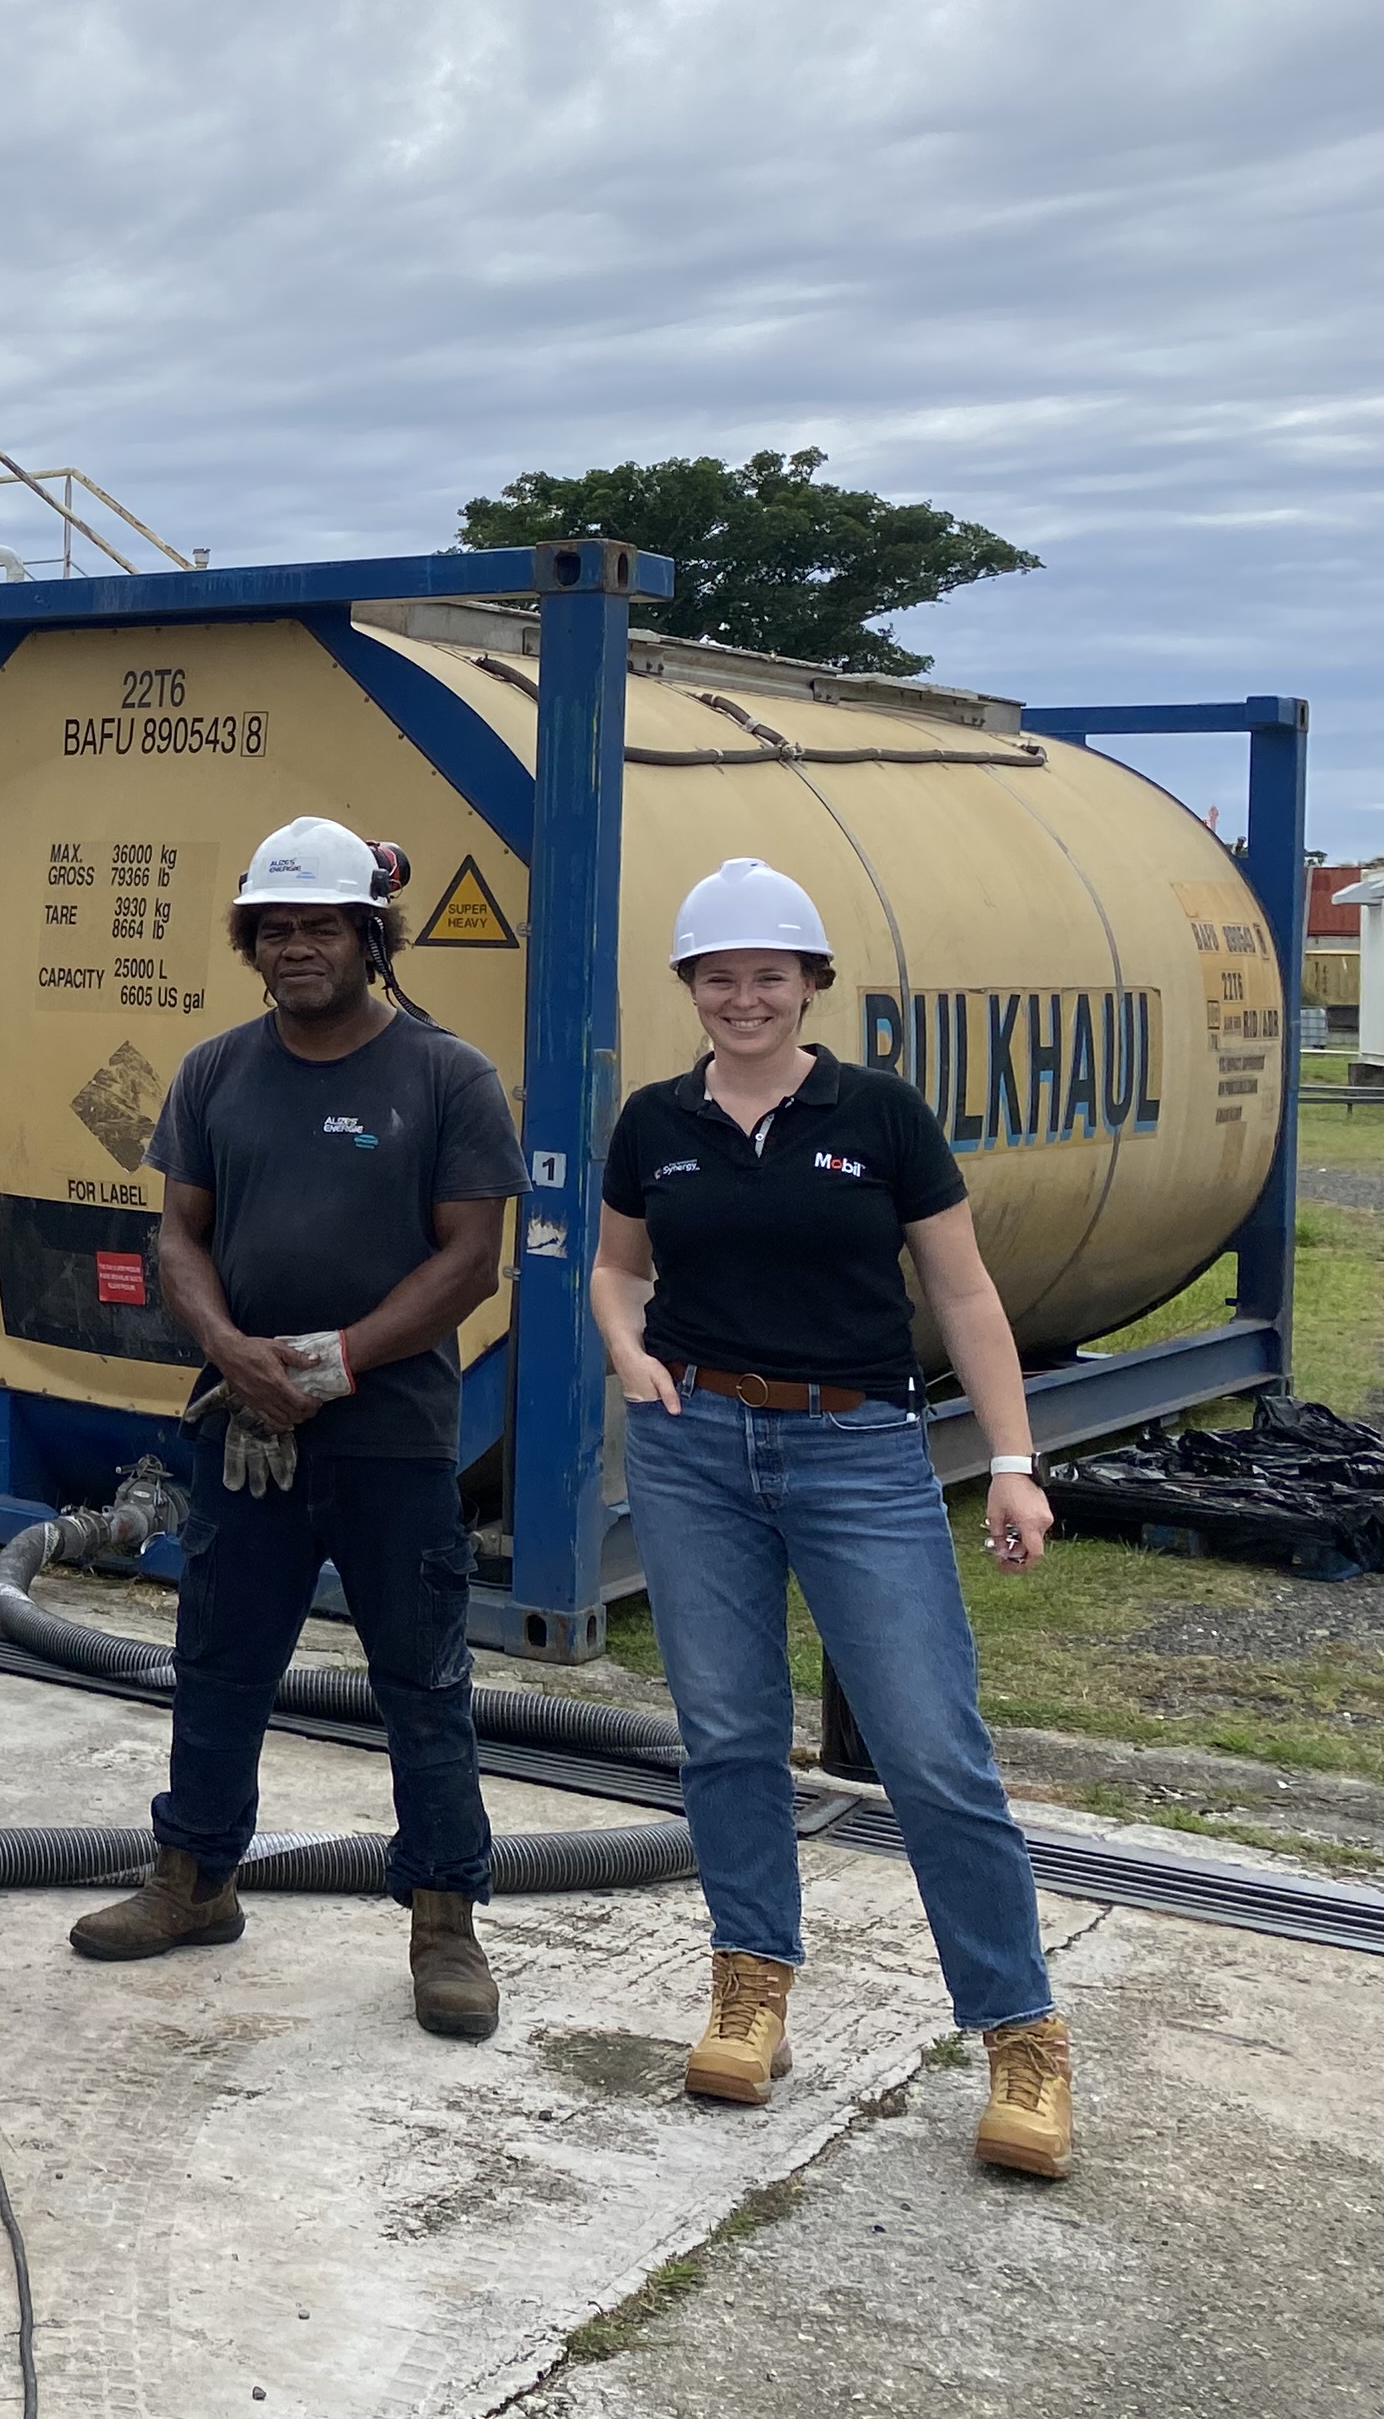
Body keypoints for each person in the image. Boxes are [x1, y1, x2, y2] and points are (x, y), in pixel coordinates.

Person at [595, 857, 1074, 2177]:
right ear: (691, 988)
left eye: (769, 975)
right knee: (730, 1736)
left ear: (809, 985)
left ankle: (1022, 2036)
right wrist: (629, 1354)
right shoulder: (653, 1122)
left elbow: (966, 1298)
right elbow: (617, 1267)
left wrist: (1016, 1459)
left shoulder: (884, 1114)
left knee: (930, 1750)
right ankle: (751, 1988)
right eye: (719, 976)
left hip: (858, 1447)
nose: (744, 997)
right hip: (694, 1447)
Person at [68, 816, 527, 2042]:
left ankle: (445, 1922)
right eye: (274, 929)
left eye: (320, 926)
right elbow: (180, 1235)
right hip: (242, 1426)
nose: (295, 948)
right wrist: (230, 1352)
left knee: (422, 1683)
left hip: (391, 1437)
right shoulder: (216, 1071)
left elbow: (471, 1260)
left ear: (371, 938)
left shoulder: (446, 1078)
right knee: (221, 1663)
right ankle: (195, 1880)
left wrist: (326, 1365)